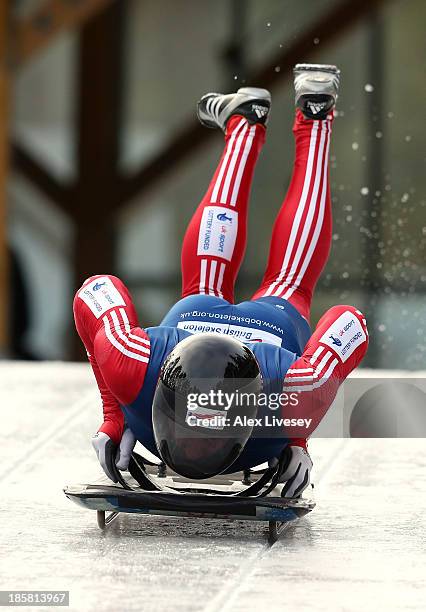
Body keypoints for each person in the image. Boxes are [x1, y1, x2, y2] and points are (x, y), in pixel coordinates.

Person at [74, 64, 369, 498]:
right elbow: (351, 322)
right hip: (267, 329)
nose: (197, 449)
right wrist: (296, 432)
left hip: (217, 322)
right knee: (287, 281)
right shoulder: (293, 392)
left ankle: (272, 120)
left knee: (246, 280)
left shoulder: (134, 364)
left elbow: (95, 291)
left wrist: (116, 413)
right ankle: (301, 119)